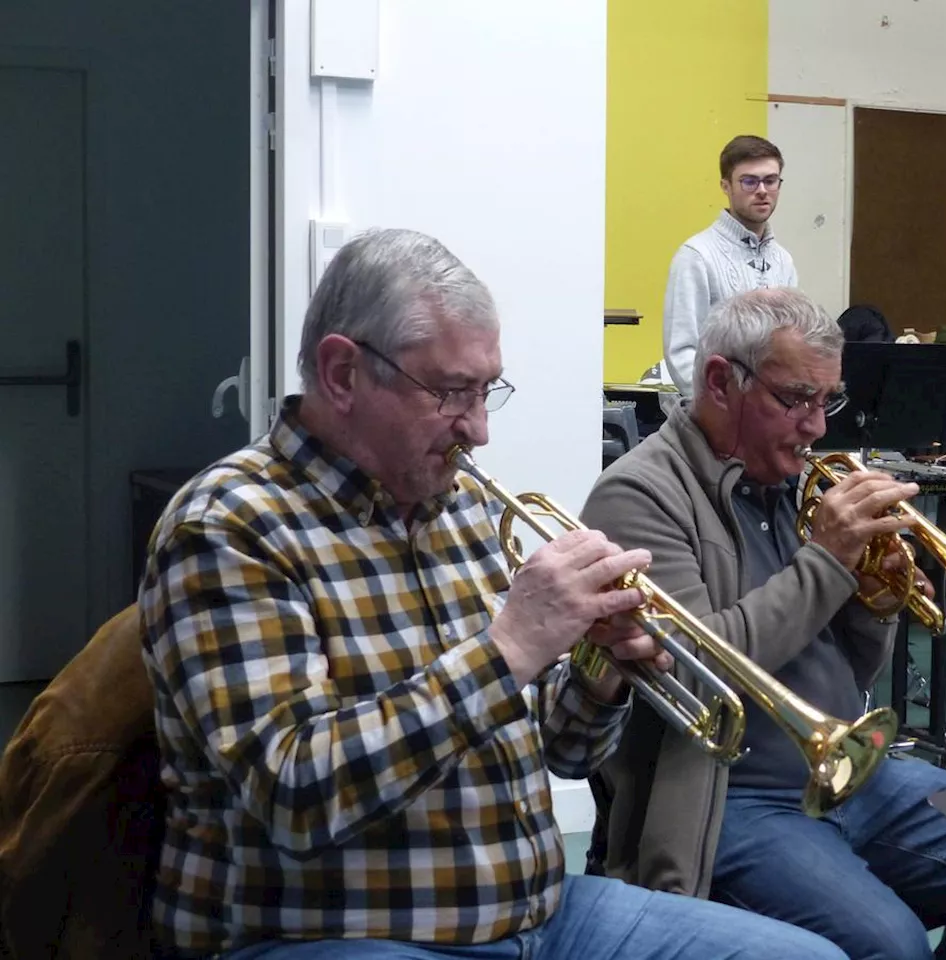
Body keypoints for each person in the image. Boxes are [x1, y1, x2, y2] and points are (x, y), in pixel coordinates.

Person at [136, 229, 848, 960]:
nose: (476, 430)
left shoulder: (462, 509)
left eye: (487, 392)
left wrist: (603, 671)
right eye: (450, 393)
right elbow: (293, 797)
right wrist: (509, 646)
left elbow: (562, 750)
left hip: (537, 912)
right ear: (343, 373)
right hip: (333, 929)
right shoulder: (230, 527)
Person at [580, 287, 946, 960]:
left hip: (850, 768)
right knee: (891, 943)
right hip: (727, 796)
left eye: (829, 401)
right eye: (795, 399)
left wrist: (876, 598)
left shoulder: (794, 481)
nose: (818, 427)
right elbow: (703, 671)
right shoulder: (639, 495)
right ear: (718, 382)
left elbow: (849, 677)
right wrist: (827, 561)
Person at [663, 134, 798, 397]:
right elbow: (682, 354)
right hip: (719, 421)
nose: (762, 190)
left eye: (770, 180)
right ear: (726, 186)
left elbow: (792, 346)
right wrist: (723, 411)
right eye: (749, 181)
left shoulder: (783, 261)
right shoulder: (697, 256)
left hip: (773, 417)